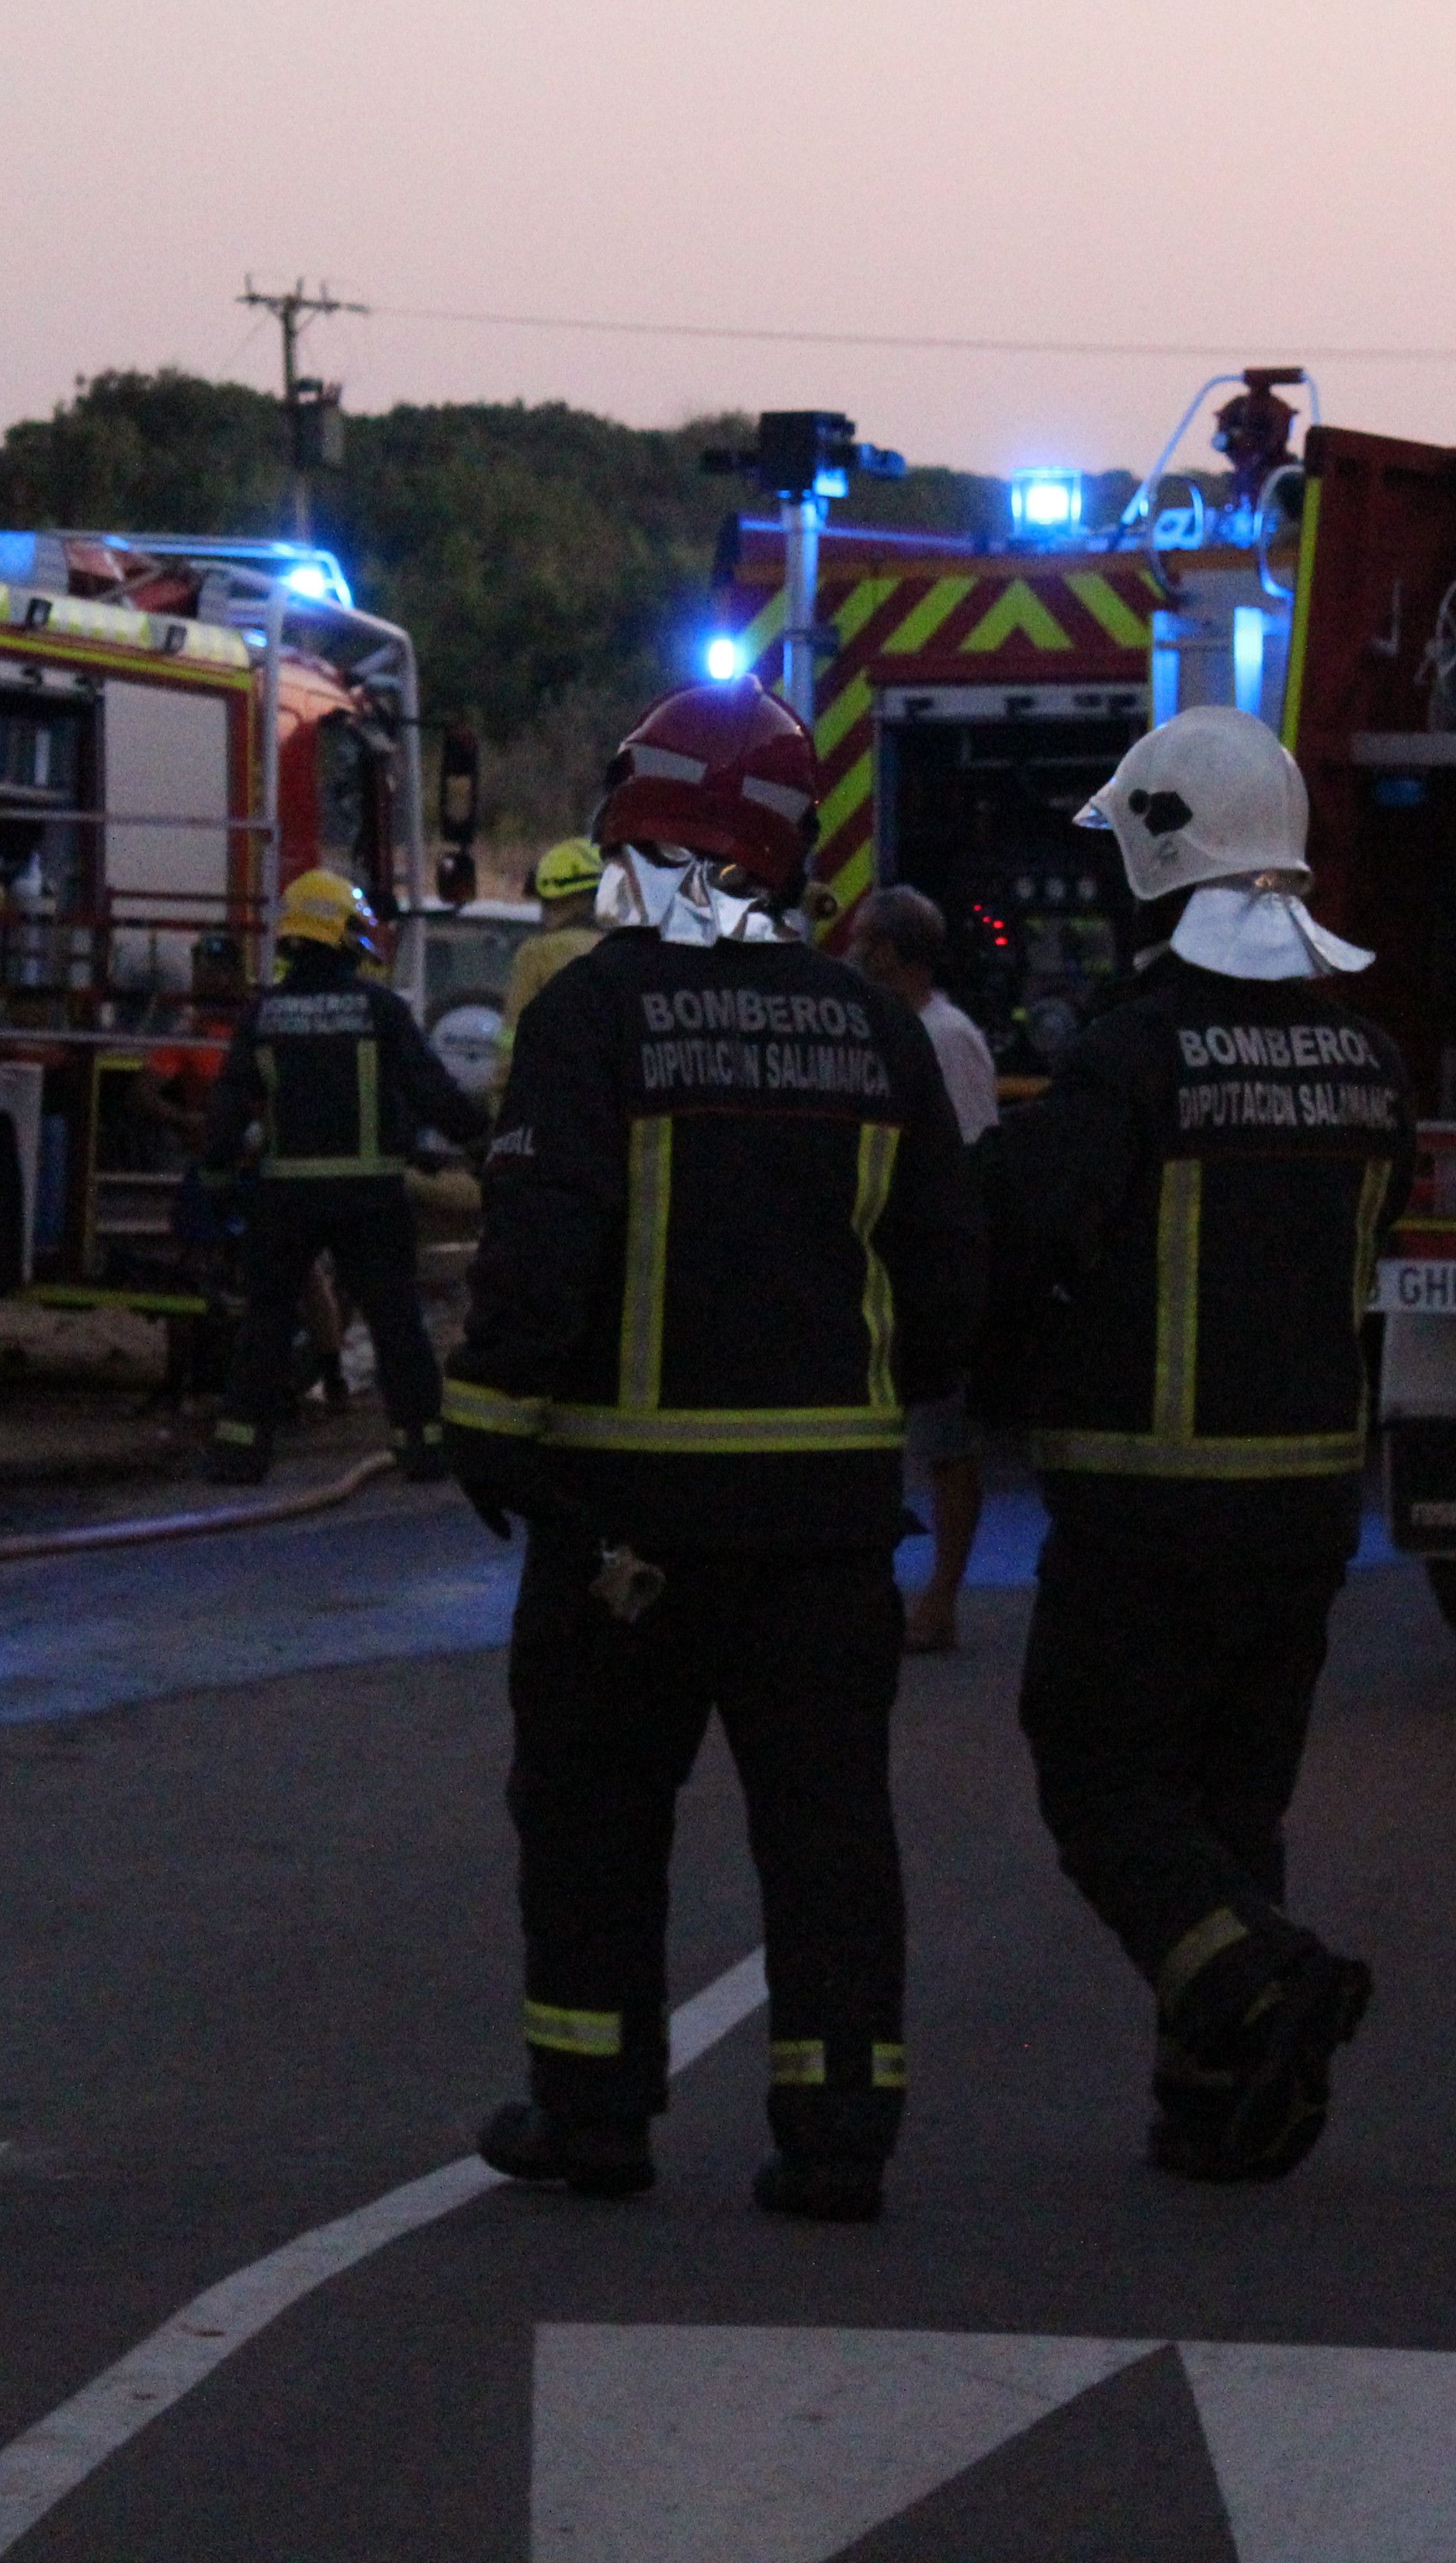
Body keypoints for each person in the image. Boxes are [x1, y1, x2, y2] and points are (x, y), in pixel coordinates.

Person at [443, 682, 982, 2225]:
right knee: (827, 1836)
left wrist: (490, 1418)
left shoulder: (595, 1012)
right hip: (824, 1534)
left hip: (626, 1523)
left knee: (596, 1821)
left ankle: (594, 2114)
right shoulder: (879, 1029)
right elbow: (948, 1279)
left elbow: (540, 1234)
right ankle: (838, 2138)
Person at [975, 706, 1415, 2186]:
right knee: (1232, 1807)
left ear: (1164, 855)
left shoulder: (1133, 1052)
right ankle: (1224, 2106)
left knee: (1097, 1777)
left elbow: (1016, 1222)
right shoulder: (1365, 1055)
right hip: (1307, 1507)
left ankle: (1261, 1984)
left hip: (1146, 1497)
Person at [203, 868, 488, 1486]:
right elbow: (430, 1089)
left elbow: (228, 1105)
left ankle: (239, 1451)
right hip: (370, 1196)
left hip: (287, 1196)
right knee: (395, 1325)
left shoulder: (265, 1015)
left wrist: (216, 1172)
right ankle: (423, 1445)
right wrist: (481, 1139)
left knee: (267, 1320)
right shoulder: (379, 1009)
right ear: (341, 934)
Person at [849, 887, 1000, 1654]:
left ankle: (940, 1599)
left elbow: (971, 1156)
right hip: (876, 1266)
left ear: (895, 954)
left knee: (947, 1444)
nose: (852, 950)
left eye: (865, 940)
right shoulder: (874, 1031)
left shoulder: (948, 1039)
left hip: (927, 1272)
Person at [489, 837, 606, 1098]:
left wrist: (500, 1103)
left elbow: (513, 1043)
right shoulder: (626, 953)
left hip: (557, 1108)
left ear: (559, 899)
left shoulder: (537, 955)